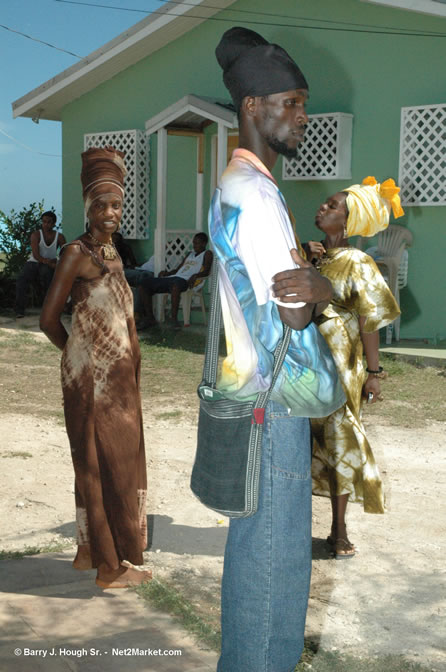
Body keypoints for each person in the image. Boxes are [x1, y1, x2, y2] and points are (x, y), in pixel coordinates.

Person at [209, 27, 345, 671]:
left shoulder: (234, 185)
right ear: (251, 108)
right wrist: (322, 285)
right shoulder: (259, 197)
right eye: (291, 103)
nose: (302, 116)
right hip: (275, 409)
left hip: (251, 399)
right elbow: (294, 306)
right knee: (274, 576)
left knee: (256, 561)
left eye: (303, 103)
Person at [40, 146, 152, 590]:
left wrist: (133, 365)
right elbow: (49, 319)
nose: (110, 212)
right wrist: (77, 358)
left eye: (117, 204)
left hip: (123, 382)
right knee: (95, 464)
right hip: (90, 383)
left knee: (123, 464)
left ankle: (99, 553)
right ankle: (109, 567)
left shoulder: (112, 253)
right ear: (87, 206)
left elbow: (126, 321)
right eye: (102, 204)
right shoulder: (75, 254)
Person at [306, 176, 403, 559]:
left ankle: (339, 529)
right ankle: (296, 522)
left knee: (341, 441)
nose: (323, 208)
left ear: (348, 223)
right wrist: (304, 261)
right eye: (325, 203)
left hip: (341, 366)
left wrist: (374, 374)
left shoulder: (358, 262)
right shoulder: (311, 255)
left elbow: (369, 320)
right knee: (305, 441)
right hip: (305, 365)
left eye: (332, 206)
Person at [137, 232, 213, 329]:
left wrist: (196, 275)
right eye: (194, 243)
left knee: (175, 285)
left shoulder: (207, 254)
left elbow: (206, 271)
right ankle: (150, 318)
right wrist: (167, 273)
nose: (194, 246)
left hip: (185, 281)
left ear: (204, 244)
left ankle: (174, 320)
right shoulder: (190, 254)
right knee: (144, 284)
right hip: (175, 277)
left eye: (197, 243)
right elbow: (178, 269)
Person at [14, 211, 66, 317]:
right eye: (44, 222)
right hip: (34, 262)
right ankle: (19, 310)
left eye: (49, 222)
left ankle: (48, 310)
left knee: (48, 278)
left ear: (54, 223)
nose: (46, 224)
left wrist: (57, 261)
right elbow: (36, 255)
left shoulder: (59, 237)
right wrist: (49, 262)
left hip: (49, 263)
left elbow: (65, 253)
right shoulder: (36, 235)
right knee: (21, 280)